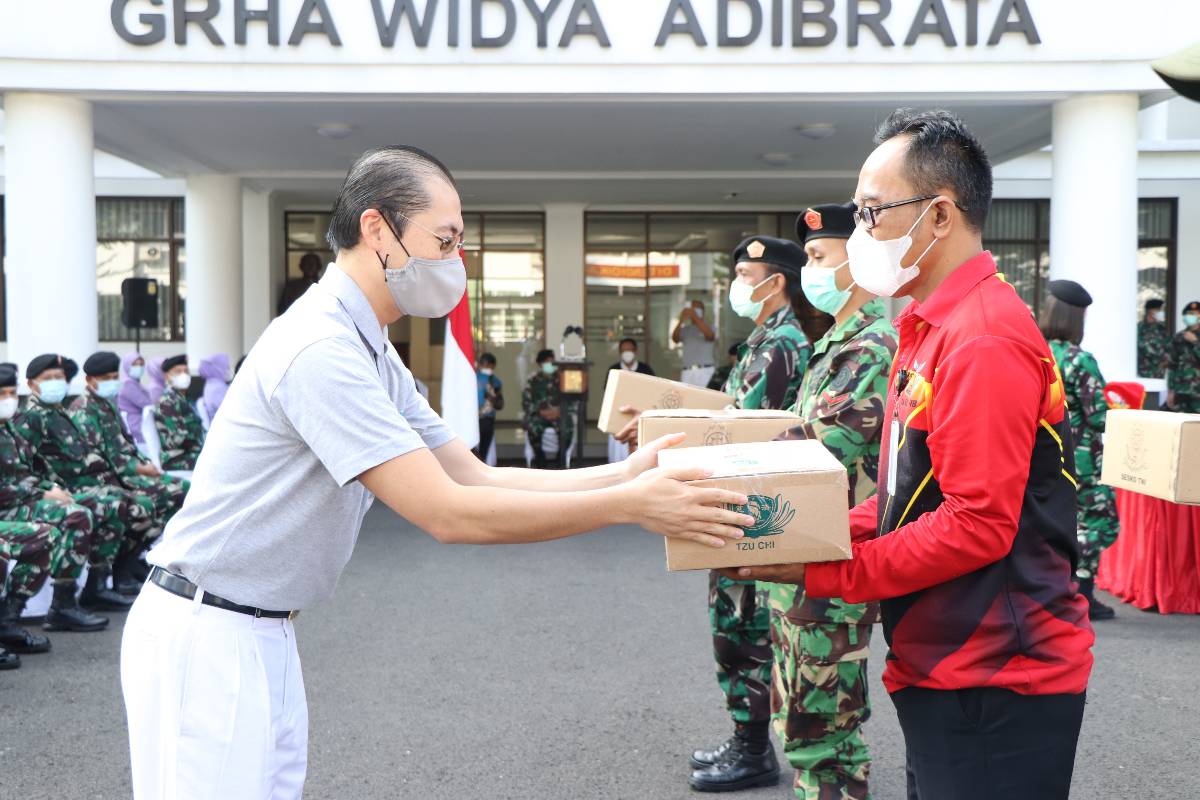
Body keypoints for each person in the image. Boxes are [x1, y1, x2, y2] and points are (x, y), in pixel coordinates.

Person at [121, 144, 755, 800]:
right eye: (445, 240)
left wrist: (628, 477)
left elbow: (472, 476)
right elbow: (446, 513)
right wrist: (629, 505)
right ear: (378, 230)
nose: (454, 262)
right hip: (210, 635)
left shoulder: (367, 346)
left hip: (259, 629)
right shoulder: (321, 350)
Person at [726, 109, 1094, 800]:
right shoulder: (930, 325)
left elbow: (977, 523)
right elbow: (906, 495)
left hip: (998, 671)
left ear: (939, 215)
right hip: (948, 655)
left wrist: (833, 567)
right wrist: (812, 538)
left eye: (871, 214)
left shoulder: (982, 338)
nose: (860, 234)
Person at [762, 202, 898, 800]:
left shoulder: (870, 348)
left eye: (819, 257)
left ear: (859, 259)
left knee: (825, 734)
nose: (810, 270)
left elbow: (819, 448)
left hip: (837, 560)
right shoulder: (833, 346)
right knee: (799, 721)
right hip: (807, 556)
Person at [682, 235, 812, 793]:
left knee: (746, 630)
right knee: (735, 627)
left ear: (774, 279)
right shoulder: (764, 338)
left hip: (754, 510)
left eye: (744, 273)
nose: (737, 283)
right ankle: (747, 740)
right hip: (742, 505)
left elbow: (743, 427)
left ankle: (754, 750)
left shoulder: (782, 342)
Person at [14, 354, 156, 612]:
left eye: (59, 377)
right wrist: (48, 491)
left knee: (123, 501)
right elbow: (22, 468)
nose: (56, 383)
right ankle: (63, 603)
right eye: (48, 379)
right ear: (32, 384)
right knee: (96, 509)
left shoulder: (56, 412)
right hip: (50, 492)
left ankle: (99, 585)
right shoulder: (32, 417)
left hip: (74, 485)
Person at [70, 351, 190, 589]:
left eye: (115, 376)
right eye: (106, 377)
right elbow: (101, 457)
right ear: (90, 380)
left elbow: (126, 444)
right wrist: (139, 469)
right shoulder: (83, 409)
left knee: (180, 490)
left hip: (123, 474)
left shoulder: (107, 405)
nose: (113, 381)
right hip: (106, 478)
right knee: (141, 504)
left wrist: (146, 463)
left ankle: (130, 560)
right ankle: (109, 576)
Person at [1040, 280, 1119, 621]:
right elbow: (1099, 415)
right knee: (1101, 523)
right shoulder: (1079, 359)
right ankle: (1080, 589)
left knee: (1062, 520)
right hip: (1084, 457)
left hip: (1046, 454)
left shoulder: (1037, 350)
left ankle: (1061, 587)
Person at [605, 339, 656, 463]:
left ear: (635, 351)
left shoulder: (646, 369)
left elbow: (653, 393)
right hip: (618, 417)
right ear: (619, 352)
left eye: (630, 350)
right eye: (624, 350)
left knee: (639, 457)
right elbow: (608, 395)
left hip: (639, 419)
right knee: (617, 457)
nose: (627, 353)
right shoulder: (614, 370)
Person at [155, 355, 206, 471]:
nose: (184, 375)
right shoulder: (168, 402)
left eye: (186, 371)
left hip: (191, 453)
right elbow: (174, 440)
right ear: (167, 376)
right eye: (178, 372)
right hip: (176, 458)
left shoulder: (183, 399)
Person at [523, 348, 571, 468]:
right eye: (546, 362)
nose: (550, 364)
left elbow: (570, 400)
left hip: (559, 414)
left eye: (552, 361)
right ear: (539, 363)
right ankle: (540, 459)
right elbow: (526, 402)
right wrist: (541, 411)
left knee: (568, 427)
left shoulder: (562, 379)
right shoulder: (532, 380)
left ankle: (560, 459)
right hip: (540, 415)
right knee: (533, 427)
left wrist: (559, 410)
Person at [674, 299, 717, 387]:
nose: (693, 312)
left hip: (705, 370)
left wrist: (695, 317)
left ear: (703, 311)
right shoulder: (686, 329)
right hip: (687, 371)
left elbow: (710, 336)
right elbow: (675, 339)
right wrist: (681, 320)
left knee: (706, 399)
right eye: (692, 309)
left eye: (697, 309)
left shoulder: (711, 327)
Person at [1168, 300, 1200, 412]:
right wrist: (1171, 391)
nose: (1191, 316)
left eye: (1194, 313)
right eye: (1189, 313)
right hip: (1181, 391)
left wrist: (1195, 342)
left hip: (1198, 392)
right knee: (1181, 425)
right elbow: (1172, 365)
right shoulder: (1178, 337)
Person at [474, 352, 503, 462]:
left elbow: (499, 403)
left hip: (482, 419)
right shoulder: (495, 381)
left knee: (476, 448)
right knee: (483, 449)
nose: (486, 367)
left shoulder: (473, 377)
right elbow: (500, 404)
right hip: (486, 419)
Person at [117, 353, 149, 445]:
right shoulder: (128, 383)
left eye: (141, 365)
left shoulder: (136, 383)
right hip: (134, 425)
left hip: (140, 423)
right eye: (135, 365)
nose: (139, 367)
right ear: (127, 365)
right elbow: (144, 402)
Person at [278, 251, 323, 315]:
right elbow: (282, 310)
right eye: (307, 264)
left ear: (318, 267)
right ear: (301, 266)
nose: (310, 267)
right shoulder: (291, 287)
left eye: (313, 264)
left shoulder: (325, 286)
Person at [1137, 298, 1170, 379]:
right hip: (1142, 374)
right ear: (1150, 311)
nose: (1161, 312)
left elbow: (1170, 346)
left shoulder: (1162, 328)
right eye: (1158, 310)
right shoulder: (1139, 328)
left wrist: (1167, 360)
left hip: (1159, 375)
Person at [198, 353, 232, 424]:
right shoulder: (218, 388)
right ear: (218, 369)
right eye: (227, 367)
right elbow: (232, 412)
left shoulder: (211, 384)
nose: (229, 369)